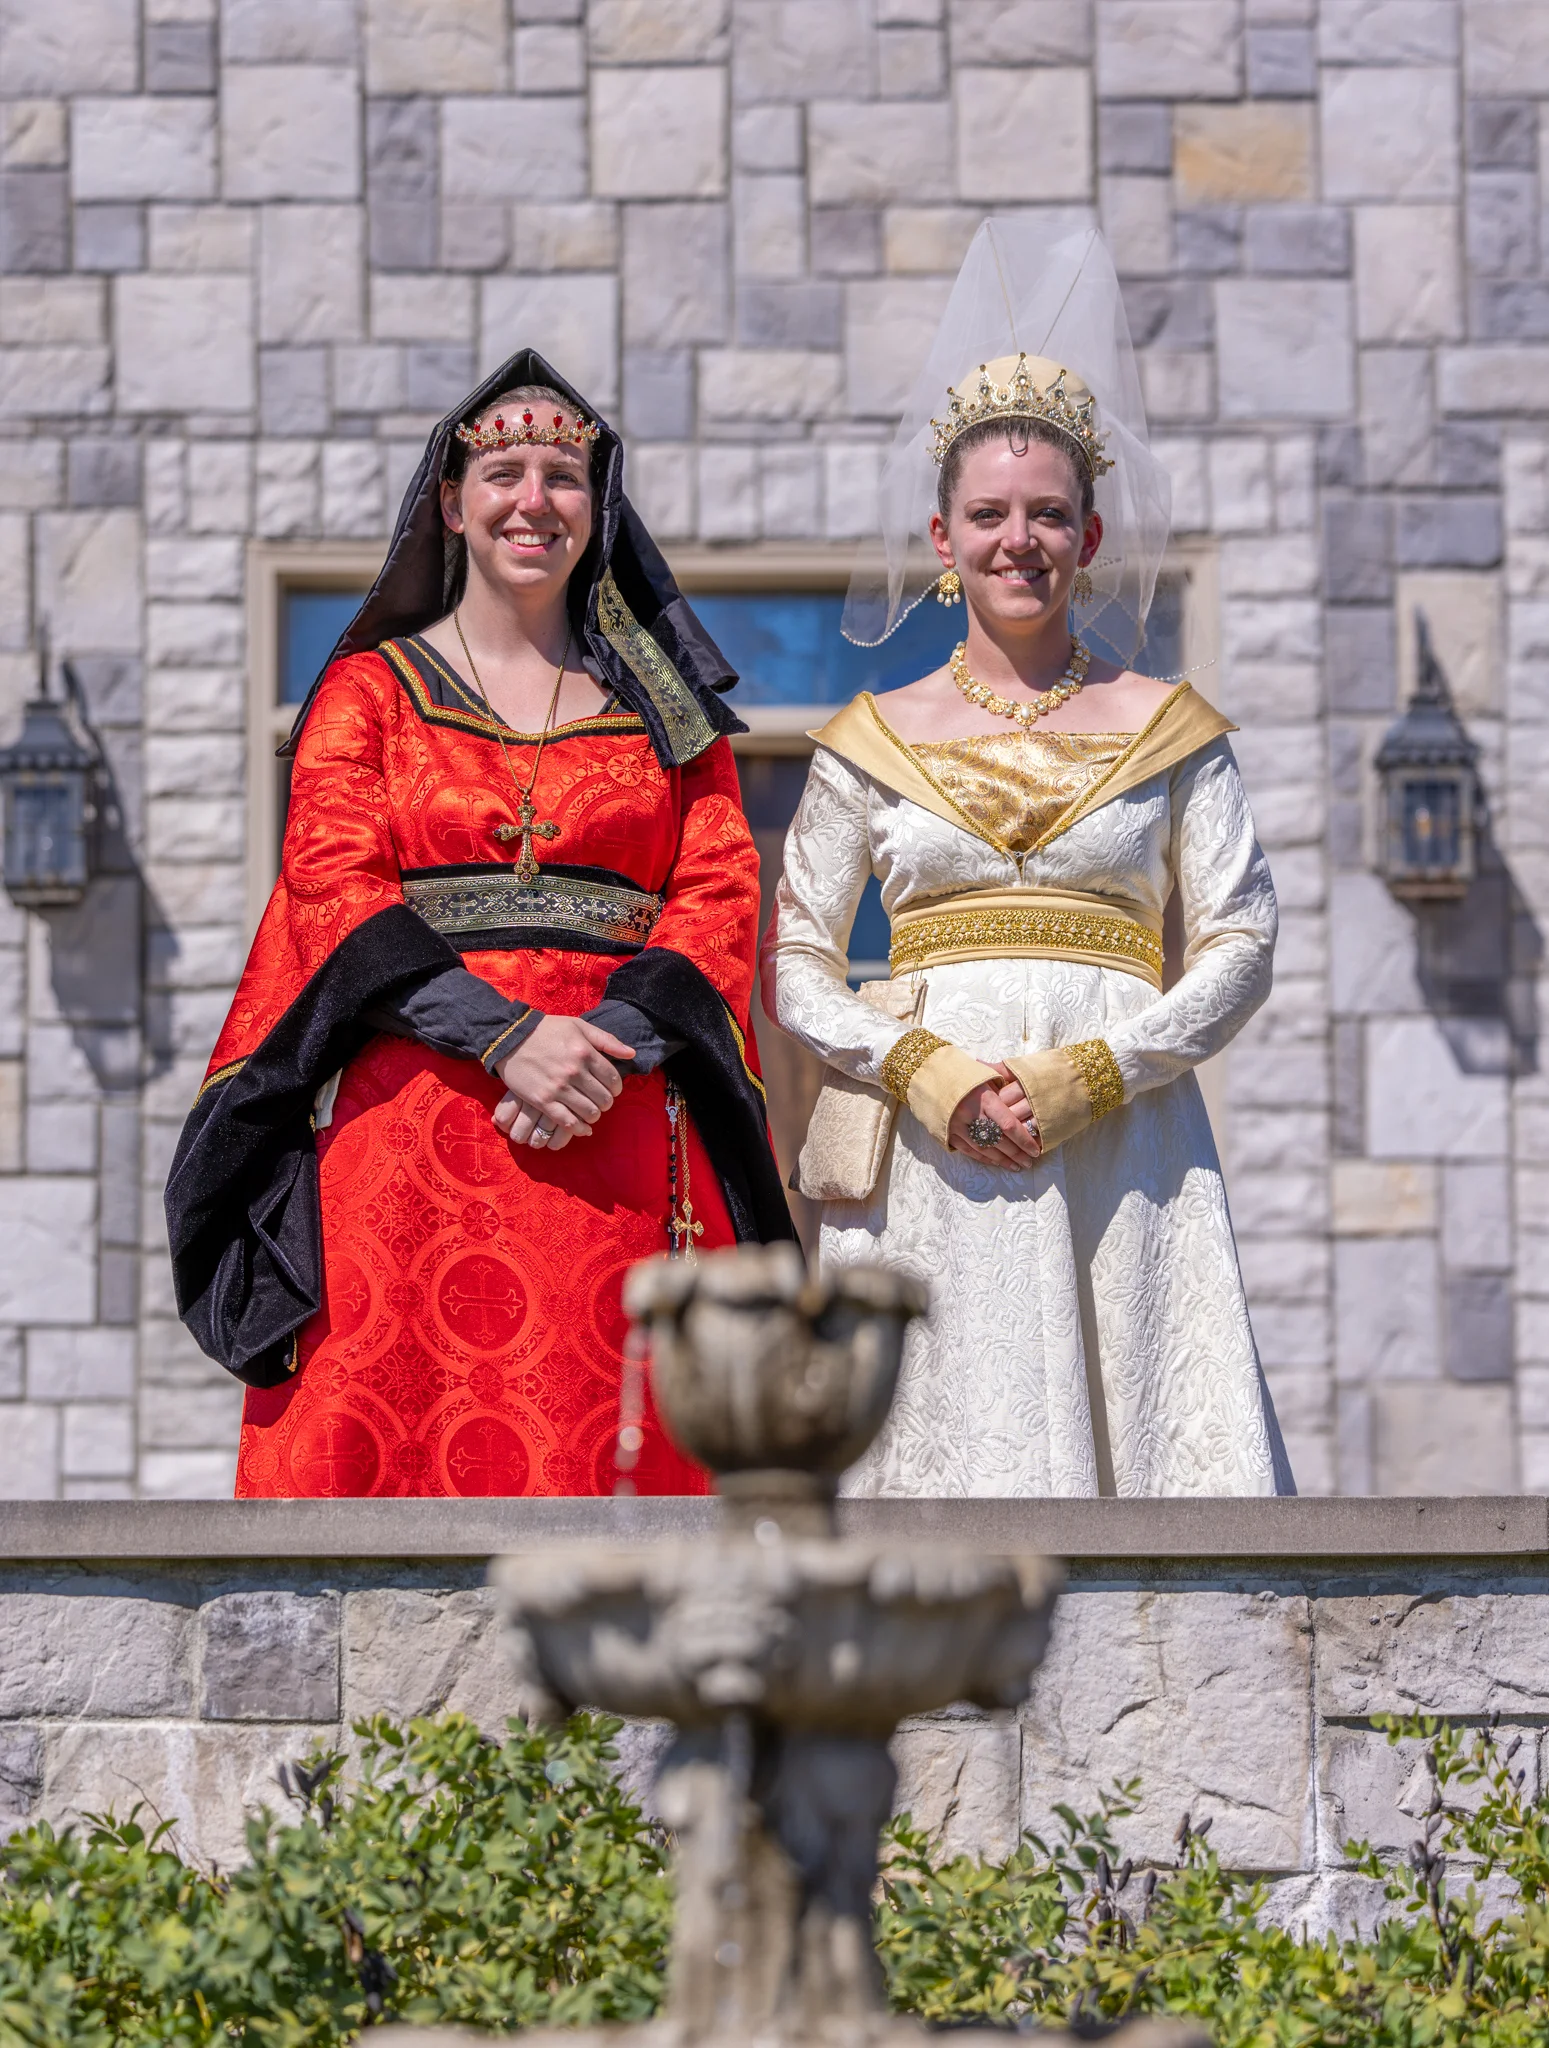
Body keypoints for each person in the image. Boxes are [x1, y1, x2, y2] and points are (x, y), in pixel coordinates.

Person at [167, 350, 794, 1499]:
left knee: (624, 1438)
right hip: (412, 1138)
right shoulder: (365, 693)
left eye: (564, 475)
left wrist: (603, 1042)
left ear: (594, 506)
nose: (533, 500)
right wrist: (507, 1034)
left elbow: (719, 894)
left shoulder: (670, 719)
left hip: (620, 1120)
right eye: (504, 471)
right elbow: (334, 885)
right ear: (452, 502)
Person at [761, 224, 1293, 1498]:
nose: (1019, 539)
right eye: (987, 514)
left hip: (1124, 1138)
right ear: (939, 540)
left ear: (1090, 534)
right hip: (933, 1150)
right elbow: (794, 957)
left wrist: (1097, 1069)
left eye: (1047, 513)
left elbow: (1239, 937)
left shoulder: (1171, 729)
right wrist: (926, 1069)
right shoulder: (866, 741)